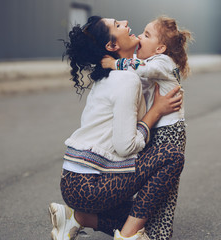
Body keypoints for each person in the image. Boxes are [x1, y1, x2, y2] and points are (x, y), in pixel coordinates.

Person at [49, 16, 184, 240]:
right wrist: (155, 112)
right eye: (118, 25)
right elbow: (125, 147)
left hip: (74, 181)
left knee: (146, 213)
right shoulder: (126, 80)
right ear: (112, 46)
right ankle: (129, 236)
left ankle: (76, 217)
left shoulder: (109, 77)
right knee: (172, 155)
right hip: (89, 187)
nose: (125, 21)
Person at [101, 16, 192, 240]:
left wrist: (114, 63)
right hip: (160, 129)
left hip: (170, 132)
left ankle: (159, 233)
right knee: (154, 183)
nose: (140, 36)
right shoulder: (156, 63)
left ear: (160, 48)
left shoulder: (161, 63)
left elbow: (140, 69)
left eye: (147, 35)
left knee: (165, 187)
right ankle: (146, 228)